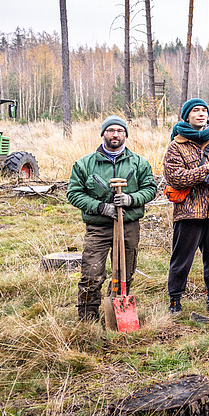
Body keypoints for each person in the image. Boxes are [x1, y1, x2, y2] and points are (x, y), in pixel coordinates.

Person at [67, 115, 157, 321]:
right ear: (103, 134)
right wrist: (100, 207)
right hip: (98, 227)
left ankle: (116, 314)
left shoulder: (139, 162)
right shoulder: (84, 164)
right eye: (111, 130)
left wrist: (130, 199)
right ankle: (87, 316)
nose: (115, 134)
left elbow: (150, 189)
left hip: (128, 225)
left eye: (119, 131)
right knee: (91, 272)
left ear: (125, 134)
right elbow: (74, 193)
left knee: (124, 273)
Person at [163, 98, 209, 313]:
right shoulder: (176, 146)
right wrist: (205, 172)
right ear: (187, 116)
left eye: (204, 110)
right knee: (182, 259)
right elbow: (175, 178)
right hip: (188, 212)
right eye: (196, 110)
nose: (201, 113)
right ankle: (175, 300)